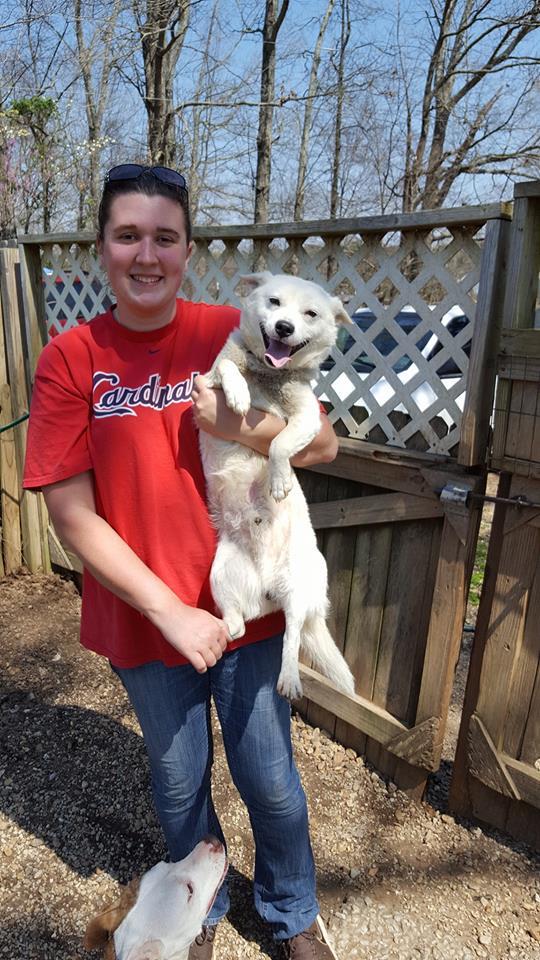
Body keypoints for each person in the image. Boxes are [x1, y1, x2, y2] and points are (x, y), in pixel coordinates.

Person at [23, 164, 340, 960]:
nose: (146, 254)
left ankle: (291, 910)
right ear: (101, 248)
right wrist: (168, 609)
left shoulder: (236, 331)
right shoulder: (70, 357)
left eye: (164, 237)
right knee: (175, 785)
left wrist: (243, 432)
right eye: (128, 235)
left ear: (187, 248)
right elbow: (70, 513)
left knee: (271, 781)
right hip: (147, 620)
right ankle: (197, 910)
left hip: (247, 605)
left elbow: (326, 444)